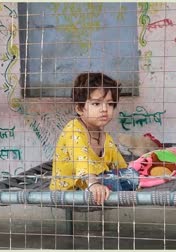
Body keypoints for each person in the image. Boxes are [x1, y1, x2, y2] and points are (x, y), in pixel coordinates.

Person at [49, 72, 138, 205]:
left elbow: (121, 167)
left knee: (133, 175)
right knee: (120, 181)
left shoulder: (105, 138)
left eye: (110, 104)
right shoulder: (74, 130)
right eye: (96, 104)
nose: (104, 109)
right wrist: (93, 184)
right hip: (72, 190)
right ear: (80, 108)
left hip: (99, 183)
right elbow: (81, 162)